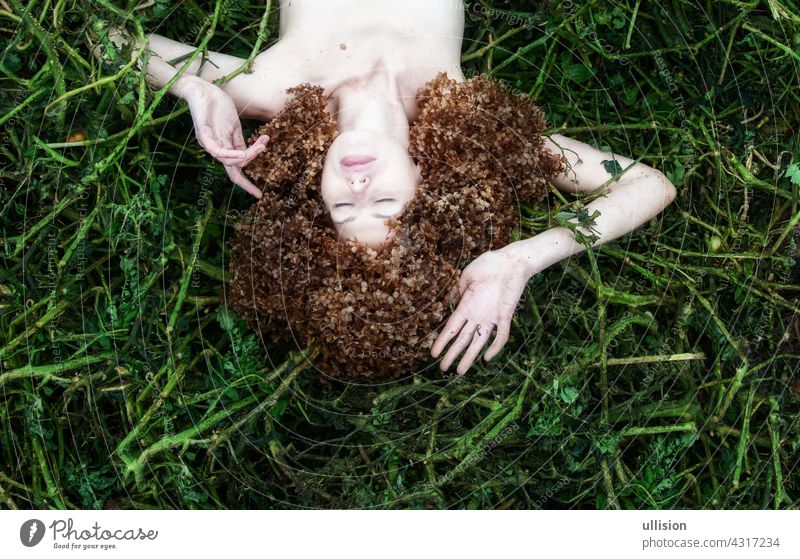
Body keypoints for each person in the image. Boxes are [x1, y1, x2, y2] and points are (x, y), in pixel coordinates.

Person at [96, 0, 677, 377]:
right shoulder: (462, 111)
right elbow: (647, 184)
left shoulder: (274, 90)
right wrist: (519, 260)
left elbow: (106, 33)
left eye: (344, 206)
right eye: (384, 202)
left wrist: (194, 89)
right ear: (430, 183)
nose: (357, 182)